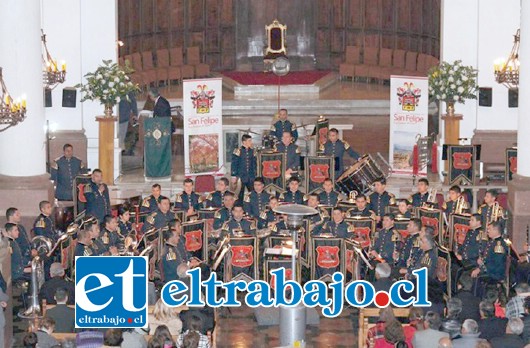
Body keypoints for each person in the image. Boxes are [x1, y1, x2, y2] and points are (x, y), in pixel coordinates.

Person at [231, 134, 257, 202]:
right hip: (240, 176)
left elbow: (254, 164)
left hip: (251, 177)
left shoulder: (252, 151)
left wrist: (255, 174)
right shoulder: (238, 151)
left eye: (251, 140)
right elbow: (234, 164)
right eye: (249, 141)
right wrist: (233, 176)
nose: (251, 142)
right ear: (244, 142)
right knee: (239, 194)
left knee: (252, 194)